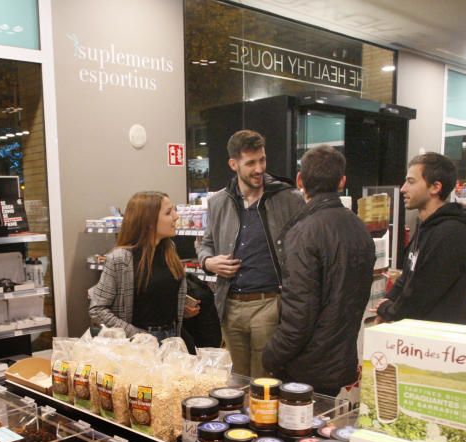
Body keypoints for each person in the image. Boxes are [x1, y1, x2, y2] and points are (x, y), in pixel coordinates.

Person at [262, 146, 375, 396]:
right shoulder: (359, 227)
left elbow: (299, 315)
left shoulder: (304, 233)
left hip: (306, 366)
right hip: (341, 357)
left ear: (300, 180)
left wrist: (271, 355)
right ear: (342, 181)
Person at [197, 129, 305, 378]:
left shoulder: (288, 198)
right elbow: (205, 244)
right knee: (237, 380)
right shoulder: (218, 202)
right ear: (233, 164)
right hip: (230, 305)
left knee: (264, 382)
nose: (259, 169)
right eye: (251, 163)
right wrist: (208, 261)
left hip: (269, 304)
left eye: (262, 160)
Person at [375, 152, 466, 324]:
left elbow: (422, 292)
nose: (403, 188)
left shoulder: (451, 233)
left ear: (435, 187)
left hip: (437, 341)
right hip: (416, 334)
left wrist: (389, 310)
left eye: (411, 181)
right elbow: (408, 275)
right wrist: (388, 301)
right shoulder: (426, 226)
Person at [88, 191, 198, 341]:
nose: (176, 216)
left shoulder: (169, 250)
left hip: (172, 339)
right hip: (137, 346)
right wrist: (137, 335)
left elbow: (155, 294)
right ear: (149, 222)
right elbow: (97, 309)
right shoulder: (120, 259)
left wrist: (180, 306)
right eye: (168, 212)